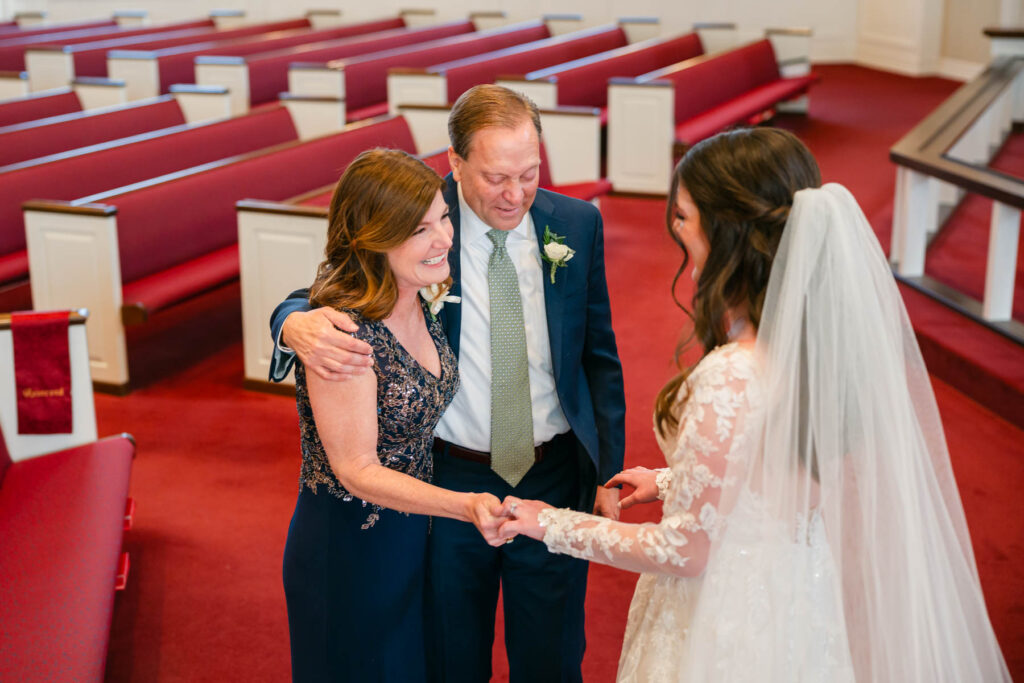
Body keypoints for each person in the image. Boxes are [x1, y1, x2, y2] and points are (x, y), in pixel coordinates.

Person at [499, 127, 1011, 682]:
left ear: (729, 231)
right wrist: (674, 483)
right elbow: (782, 469)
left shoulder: (732, 372)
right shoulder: (819, 341)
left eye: (685, 216)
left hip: (725, 613)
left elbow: (685, 551)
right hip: (796, 591)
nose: (676, 230)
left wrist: (549, 522)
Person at [270, 85, 626, 682]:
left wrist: (606, 470)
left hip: (555, 469)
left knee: (553, 654)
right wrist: (291, 324)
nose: (515, 195)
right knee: (451, 652)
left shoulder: (576, 224)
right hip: (449, 473)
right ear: (455, 164)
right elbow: (329, 292)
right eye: (495, 178)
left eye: (530, 173)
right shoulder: (419, 226)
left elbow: (599, 356)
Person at [281, 148, 510, 683]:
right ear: (373, 237)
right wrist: (466, 505)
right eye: (420, 230)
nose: (444, 239)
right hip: (351, 548)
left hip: (411, 538)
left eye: (443, 218)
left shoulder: (417, 296)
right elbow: (356, 470)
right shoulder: (343, 335)